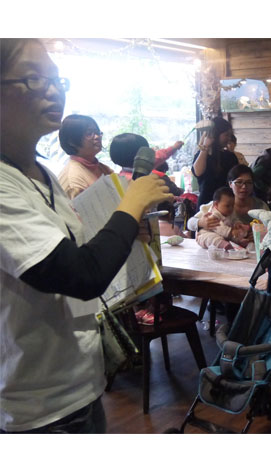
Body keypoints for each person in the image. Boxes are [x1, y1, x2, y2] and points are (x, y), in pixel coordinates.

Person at [0, 38, 173, 433]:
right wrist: (131, 203)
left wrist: (125, 232)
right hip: (37, 404)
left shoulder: (41, 174)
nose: (53, 90)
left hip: (81, 382)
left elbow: (79, 250)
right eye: (33, 78)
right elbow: (80, 274)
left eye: (56, 79)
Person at [187, 164, 269, 245]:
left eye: (249, 182)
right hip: (218, 248)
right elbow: (190, 223)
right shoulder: (217, 204)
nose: (244, 186)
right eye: (239, 182)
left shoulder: (261, 206)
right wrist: (200, 223)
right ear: (230, 184)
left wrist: (260, 235)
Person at [57, 114, 113, 199]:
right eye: (89, 134)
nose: (97, 137)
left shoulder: (101, 168)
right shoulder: (74, 181)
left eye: (97, 132)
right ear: (71, 141)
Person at [192, 116, 238, 208]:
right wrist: (205, 147)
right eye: (226, 135)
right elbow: (198, 172)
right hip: (206, 204)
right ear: (216, 135)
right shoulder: (202, 154)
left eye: (230, 135)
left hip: (226, 204)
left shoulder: (230, 156)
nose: (229, 138)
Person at [195, 186, 242, 250]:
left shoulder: (231, 213)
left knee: (237, 236)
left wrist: (238, 224)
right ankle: (223, 245)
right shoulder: (214, 214)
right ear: (216, 204)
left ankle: (241, 242)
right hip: (205, 234)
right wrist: (230, 232)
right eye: (227, 206)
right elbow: (217, 226)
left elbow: (235, 219)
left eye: (232, 205)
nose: (231, 208)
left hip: (224, 236)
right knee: (212, 238)